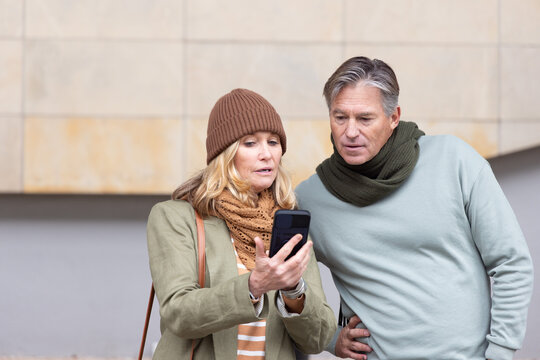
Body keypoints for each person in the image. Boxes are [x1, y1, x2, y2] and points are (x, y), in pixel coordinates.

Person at [295, 56, 534, 360]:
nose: (350, 132)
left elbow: (511, 262)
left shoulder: (454, 160)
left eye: (365, 119)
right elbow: (283, 285)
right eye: (340, 117)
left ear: (394, 117)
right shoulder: (311, 199)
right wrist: (330, 337)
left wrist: (500, 352)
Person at [147, 88, 336, 360]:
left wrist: (294, 291)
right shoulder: (176, 217)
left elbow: (317, 339)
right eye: (250, 143)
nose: (267, 154)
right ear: (225, 154)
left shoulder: (288, 224)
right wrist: (253, 286)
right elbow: (179, 314)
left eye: (273, 142)